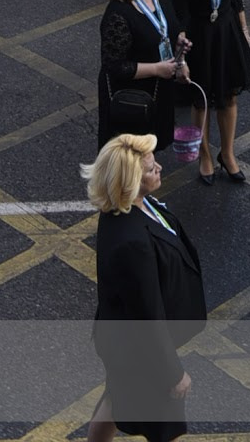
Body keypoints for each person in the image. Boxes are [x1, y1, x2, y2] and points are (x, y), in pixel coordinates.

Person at [83, 131, 206, 442]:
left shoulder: (129, 207)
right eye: (151, 169)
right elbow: (147, 315)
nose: (160, 169)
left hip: (121, 341)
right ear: (129, 183)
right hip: (140, 352)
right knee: (168, 430)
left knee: (114, 400)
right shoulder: (133, 243)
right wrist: (173, 373)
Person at [181, 0, 250, 183]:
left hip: (227, 34)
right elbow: (180, 12)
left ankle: (227, 153)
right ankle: (205, 156)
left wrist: (245, 31)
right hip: (201, 38)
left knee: (230, 95)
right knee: (202, 100)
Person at [97, 0, 192, 154]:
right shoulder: (118, 15)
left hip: (159, 89)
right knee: (132, 156)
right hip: (133, 96)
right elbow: (114, 67)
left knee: (150, 150)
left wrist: (180, 56)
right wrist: (157, 69)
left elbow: (172, 28)